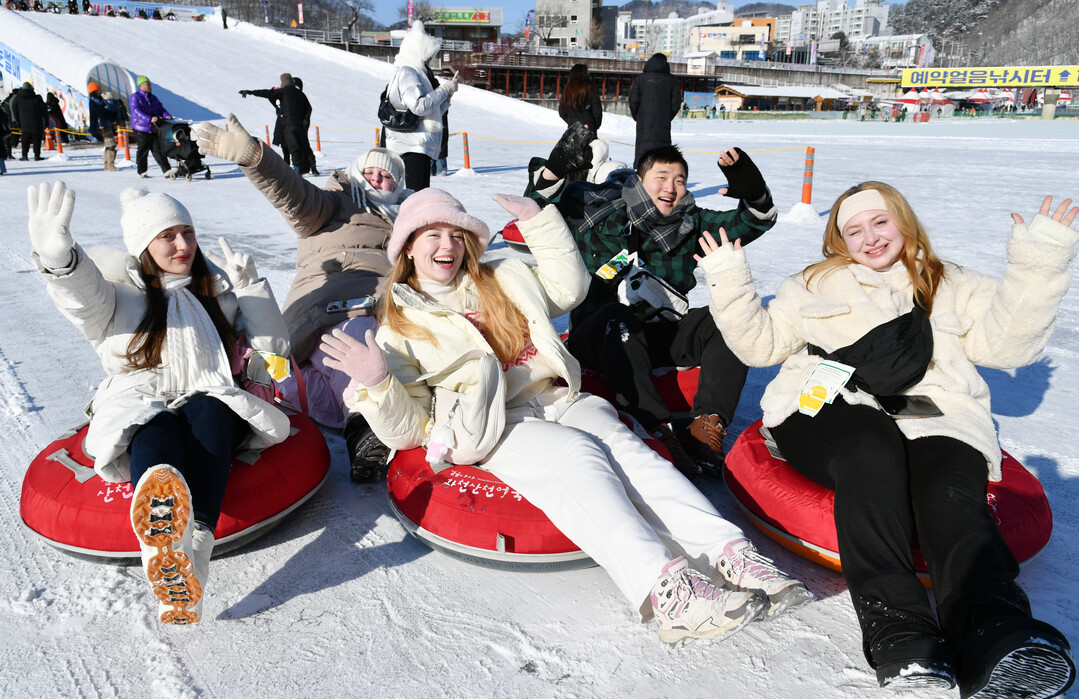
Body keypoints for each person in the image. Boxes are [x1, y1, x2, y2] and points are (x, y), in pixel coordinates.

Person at [318, 187, 811, 640]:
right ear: (407, 247)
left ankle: (731, 554)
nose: (446, 244)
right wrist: (378, 382)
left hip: (559, 397)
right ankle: (669, 594)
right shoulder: (401, 325)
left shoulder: (503, 277)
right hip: (494, 425)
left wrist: (541, 225)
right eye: (431, 234)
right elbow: (410, 432)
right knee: (576, 454)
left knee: (627, 450)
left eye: (455, 233)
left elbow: (569, 288)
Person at [696, 182, 1077, 699]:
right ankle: (900, 631)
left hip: (934, 410)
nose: (870, 238)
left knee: (949, 486)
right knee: (869, 446)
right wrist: (729, 281)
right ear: (839, 239)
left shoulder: (952, 283)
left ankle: (996, 631)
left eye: (879, 222)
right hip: (825, 410)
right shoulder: (812, 283)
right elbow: (759, 347)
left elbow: (1008, 344)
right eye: (854, 229)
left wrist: (1038, 264)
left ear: (903, 220)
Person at [26, 181, 292, 624]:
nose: (183, 244)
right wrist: (61, 262)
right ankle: (162, 521)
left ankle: (193, 556)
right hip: (142, 398)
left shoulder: (216, 288)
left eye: (187, 232)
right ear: (143, 244)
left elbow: (274, 348)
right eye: (168, 235)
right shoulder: (115, 294)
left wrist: (251, 289)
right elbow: (81, 296)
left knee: (209, 409)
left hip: (213, 396)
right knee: (153, 426)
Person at [525, 129, 778, 476]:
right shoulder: (594, 209)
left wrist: (755, 192)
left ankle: (706, 428)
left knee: (730, 317)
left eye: (680, 180)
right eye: (661, 177)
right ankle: (656, 429)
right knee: (618, 316)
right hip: (599, 334)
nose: (670, 187)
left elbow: (751, 222)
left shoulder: (692, 221)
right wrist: (555, 168)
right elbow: (536, 206)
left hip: (660, 332)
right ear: (640, 179)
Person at [195, 113, 407, 482]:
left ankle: (280, 384)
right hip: (333, 308)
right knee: (357, 343)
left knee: (310, 387)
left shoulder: (407, 219)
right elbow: (292, 193)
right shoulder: (333, 204)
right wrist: (255, 158)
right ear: (356, 175)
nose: (377, 178)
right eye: (370, 171)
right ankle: (364, 429)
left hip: (386, 307)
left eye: (386, 175)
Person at [383, 20, 457, 191]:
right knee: (415, 198)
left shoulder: (416, 73)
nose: (430, 60)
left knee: (419, 196)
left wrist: (447, 98)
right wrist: (444, 90)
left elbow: (430, 112)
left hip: (416, 145)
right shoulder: (408, 72)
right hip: (410, 146)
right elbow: (419, 106)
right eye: (427, 56)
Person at [239, 73, 316, 176]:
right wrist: (305, 121)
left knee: (292, 147)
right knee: (303, 146)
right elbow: (308, 108)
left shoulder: (282, 92)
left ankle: (297, 170)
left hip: (287, 126)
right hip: (299, 125)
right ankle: (307, 168)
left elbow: (267, 93)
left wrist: (251, 92)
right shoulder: (300, 94)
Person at [628, 53, 681, 167]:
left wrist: (639, 117)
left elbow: (633, 101)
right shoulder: (673, 81)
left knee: (643, 151)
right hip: (663, 123)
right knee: (663, 154)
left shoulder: (640, 79)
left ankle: (641, 178)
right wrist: (667, 116)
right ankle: (661, 178)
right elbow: (676, 104)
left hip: (644, 121)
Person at [558, 63, 602, 181]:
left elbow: (562, 112)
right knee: (589, 162)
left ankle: (571, 186)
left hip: (572, 131)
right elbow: (597, 113)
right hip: (589, 130)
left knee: (572, 162)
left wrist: (572, 122)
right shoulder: (591, 89)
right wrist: (593, 126)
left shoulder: (567, 91)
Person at [129, 75, 173, 178]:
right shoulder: (135, 97)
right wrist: (149, 118)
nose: (149, 86)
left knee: (158, 149)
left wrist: (166, 115)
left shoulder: (153, 98)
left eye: (149, 84)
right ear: (140, 86)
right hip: (141, 128)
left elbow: (161, 108)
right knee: (143, 150)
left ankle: (166, 170)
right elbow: (135, 111)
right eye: (147, 84)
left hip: (154, 127)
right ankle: (142, 171)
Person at [87, 82, 121, 171]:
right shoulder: (96, 101)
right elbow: (104, 111)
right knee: (111, 144)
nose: (100, 92)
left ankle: (107, 165)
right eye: (98, 90)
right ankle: (110, 165)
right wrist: (110, 101)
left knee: (108, 144)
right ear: (94, 91)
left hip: (102, 124)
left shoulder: (94, 100)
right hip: (103, 125)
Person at [10, 81, 47, 161]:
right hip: (36, 122)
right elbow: (44, 110)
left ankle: (24, 155)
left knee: (25, 140)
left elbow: (14, 110)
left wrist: (17, 120)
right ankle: (37, 155)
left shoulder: (17, 98)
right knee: (37, 140)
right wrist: (46, 120)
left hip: (24, 122)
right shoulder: (37, 98)